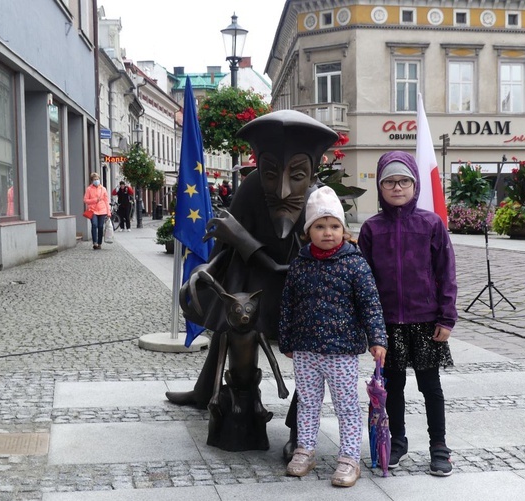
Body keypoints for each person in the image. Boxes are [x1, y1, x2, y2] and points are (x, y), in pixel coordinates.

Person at [167, 110, 339, 455]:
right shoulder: (250, 189)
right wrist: (205, 273)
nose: (283, 188)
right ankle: (237, 403)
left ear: (313, 171)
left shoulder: (321, 202)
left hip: (303, 290)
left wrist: (244, 240)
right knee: (238, 322)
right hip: (254, 285)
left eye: (298, 175)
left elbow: (299, 268)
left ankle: (300, 433)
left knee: (312, 346)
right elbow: (224, 249)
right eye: (271, 174)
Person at [279, 186, 387, 487]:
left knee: (346, 405)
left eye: (334, 226)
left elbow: (370, 303)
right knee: (308, 403)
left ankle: (350, 457)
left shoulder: (354, 263)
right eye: (320, 226)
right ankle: (305, 449)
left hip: (341, 352)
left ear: (344, 229)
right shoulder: (300, 264)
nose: (328, 232)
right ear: (308, 231)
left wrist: (378, 338)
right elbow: (288, 302)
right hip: (305, 350)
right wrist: (286, 339)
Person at [358, 150, 457, 477]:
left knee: (431, 386)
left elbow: (446, 272)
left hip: (426, 321)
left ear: (414, 185)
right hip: (388, 325)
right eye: (390, 181)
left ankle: (439, 446)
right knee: (393, 386)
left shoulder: (431, 224)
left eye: (404, 181)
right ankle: (397, 440)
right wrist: (371, 326)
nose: (397, 187)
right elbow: (365, 279)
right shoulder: (371, 229)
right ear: (380, 186)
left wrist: (446, 316)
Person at [83, 172, 111, 250]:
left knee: (100, 226)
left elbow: (106, 201)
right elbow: (85, 200)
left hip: (102, 210)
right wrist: (95, 200)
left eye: (98, 179)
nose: (96, 181)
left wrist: (108, 212)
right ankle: (94, 242)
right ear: (92, 180)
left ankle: (99, 243)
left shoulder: (103, 189)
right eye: (95, 179)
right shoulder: (89, 189)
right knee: (94, 225)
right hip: (93, 210)